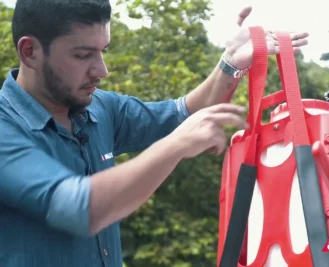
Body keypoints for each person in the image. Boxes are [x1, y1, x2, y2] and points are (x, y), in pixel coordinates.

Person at [0, 0, 308, 266]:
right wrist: (176, 146)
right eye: (83, 55)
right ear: (30, 52)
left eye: (103, 51)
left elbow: (181, 115)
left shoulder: (98, 109)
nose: (101, 70)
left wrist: (229, 65)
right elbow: (79, 208)